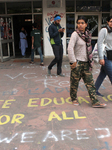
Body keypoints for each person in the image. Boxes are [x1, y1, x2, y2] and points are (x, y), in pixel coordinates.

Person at [67, 16, 106, 108]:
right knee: (74, 83)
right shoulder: (75, 34)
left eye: (82, 23)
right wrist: (73, 61)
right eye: (79, 23)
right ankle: (74, 98)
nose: (80, 25)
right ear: (77, 24)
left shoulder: (88, 34)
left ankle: (95, 101)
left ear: (86, 24)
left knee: (90, 83)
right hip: (77, 63)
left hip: (86, 63)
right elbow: (70, 48)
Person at [95, 16, 112, 96]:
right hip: (105, 56)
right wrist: (101, 58)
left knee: (102, 74)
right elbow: (99, 43)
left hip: (111, 56)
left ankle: (94, 90)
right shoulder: (104, 30)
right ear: (108, 22)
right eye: (111, 21)